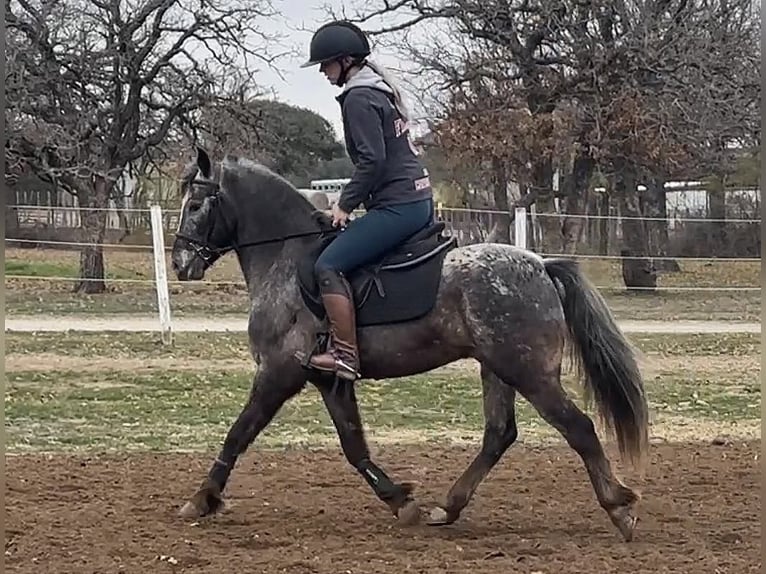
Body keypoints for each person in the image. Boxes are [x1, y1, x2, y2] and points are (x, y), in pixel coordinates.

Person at [300, 20, 434, 381]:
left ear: (345, 61)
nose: (323, 71)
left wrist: (343, 206)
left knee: (328, 264)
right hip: (417, 199)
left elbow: (372, 161)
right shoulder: (378, 90)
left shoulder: (359, 98)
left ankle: (345, 356)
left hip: (399, 206)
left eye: (326, 64)